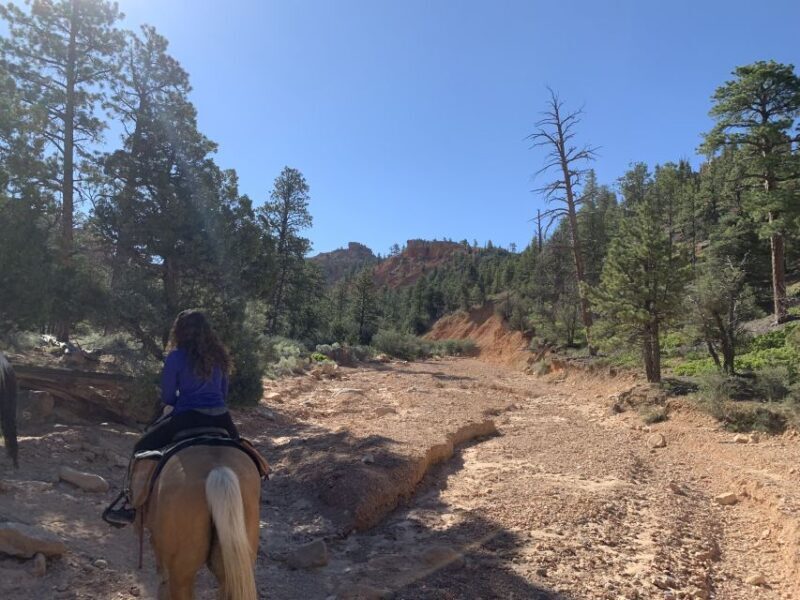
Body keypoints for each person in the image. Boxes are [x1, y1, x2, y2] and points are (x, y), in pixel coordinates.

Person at [103, 310, 239, 526]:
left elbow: (167, 395)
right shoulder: (220, 357)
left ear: (180, 331)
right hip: (221, 418)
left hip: (188, 417)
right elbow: (223, 394)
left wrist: (179, 399)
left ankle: (130, 504)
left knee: (141, 448)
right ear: (207, 331)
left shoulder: (176, 357)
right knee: (244, 452)